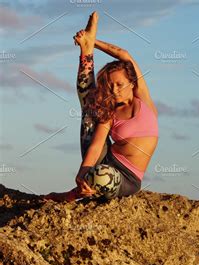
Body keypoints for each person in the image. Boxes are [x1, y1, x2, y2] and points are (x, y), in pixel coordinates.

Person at [42, 11, 158, 202]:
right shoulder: (110, 111)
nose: (115, 90)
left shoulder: (143, 99)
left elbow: (124, 55)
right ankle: (85, 53)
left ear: (132, 82)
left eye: (119, 84)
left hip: (128, 178)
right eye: (110, 85)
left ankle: (72, 195)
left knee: (102, 176)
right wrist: (82, 173)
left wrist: (93, 40)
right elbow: (96, 146)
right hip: (102, 162)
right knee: (89, 109)